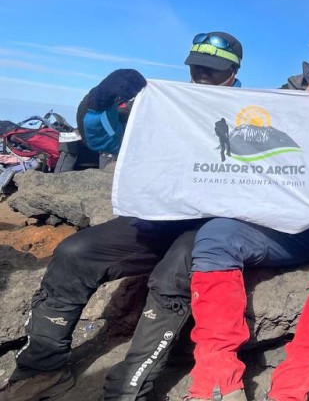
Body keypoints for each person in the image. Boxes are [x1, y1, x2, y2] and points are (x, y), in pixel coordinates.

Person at [0, 31, 243, 401]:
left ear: (234, 71)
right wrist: (101, 102)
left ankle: (127, 389)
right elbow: (105, 140)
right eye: (198, 68)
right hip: (157, 218)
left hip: (215, 227)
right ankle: (42, 369)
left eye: (214, 71)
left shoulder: (253, 110)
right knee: (73, 254)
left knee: (173, 273)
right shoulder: (168, 105)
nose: (203, 77)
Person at [182, 27, 309, 401]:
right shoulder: (288, 95)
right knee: (216, 236)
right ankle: (216, 378)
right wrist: (301, 109)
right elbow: (252, 151)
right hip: (296, 222)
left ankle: (293, 384)